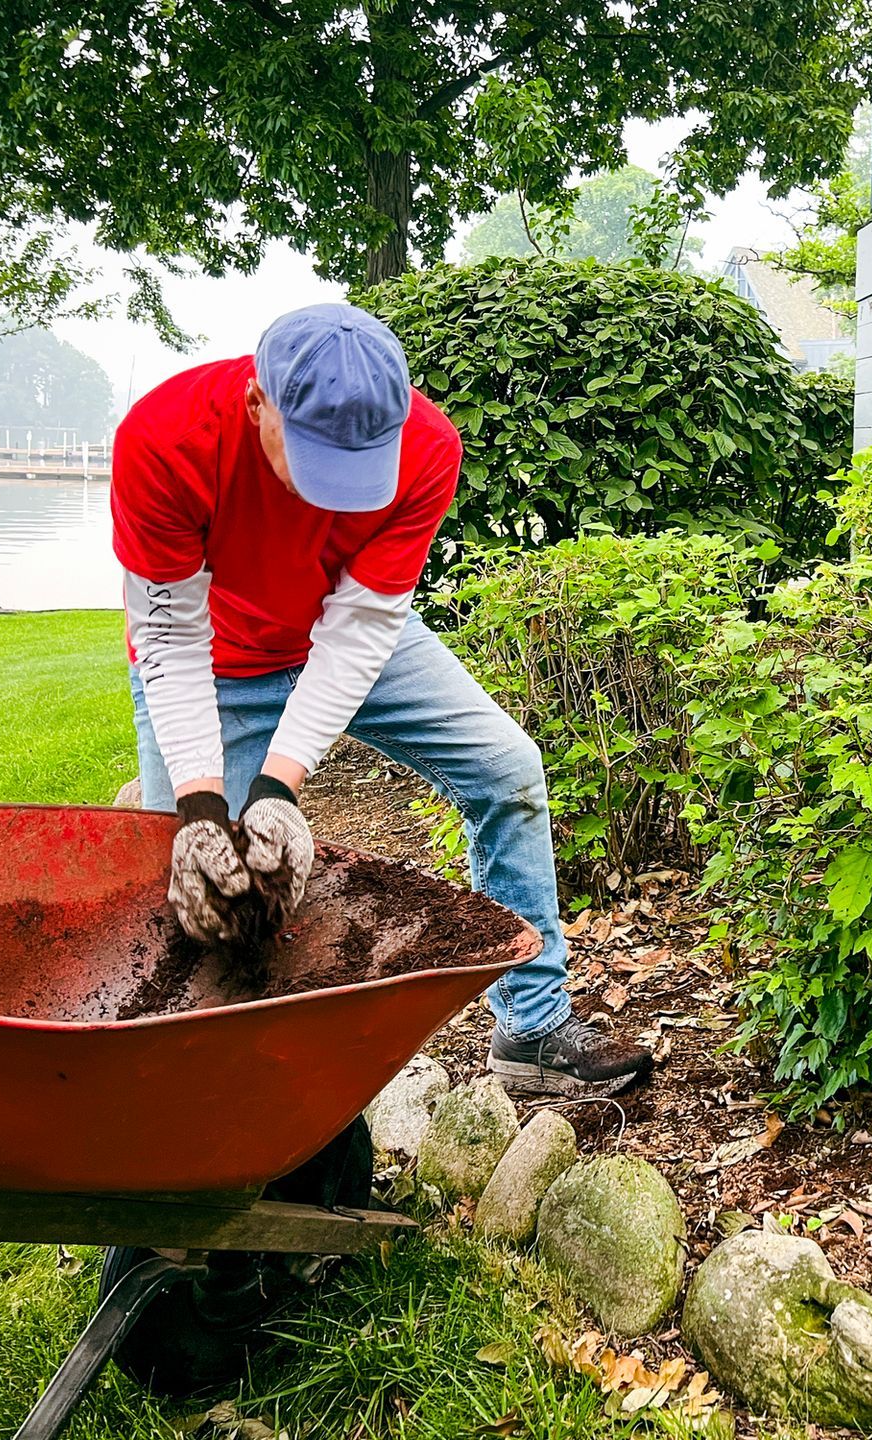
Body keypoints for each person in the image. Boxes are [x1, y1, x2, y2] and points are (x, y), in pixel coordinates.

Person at [114, 302, 651, 1099]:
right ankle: (177, 1107)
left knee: (508, 770)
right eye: (317, 464)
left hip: (351, 629)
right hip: (215, 659)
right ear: (259, 404)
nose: (339, 499)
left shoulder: (428, 448)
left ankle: (533, 1031)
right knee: (194, 886)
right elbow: (169, 638)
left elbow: (361, 628)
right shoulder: (164, 439)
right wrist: (202, 805)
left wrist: (277, 790)